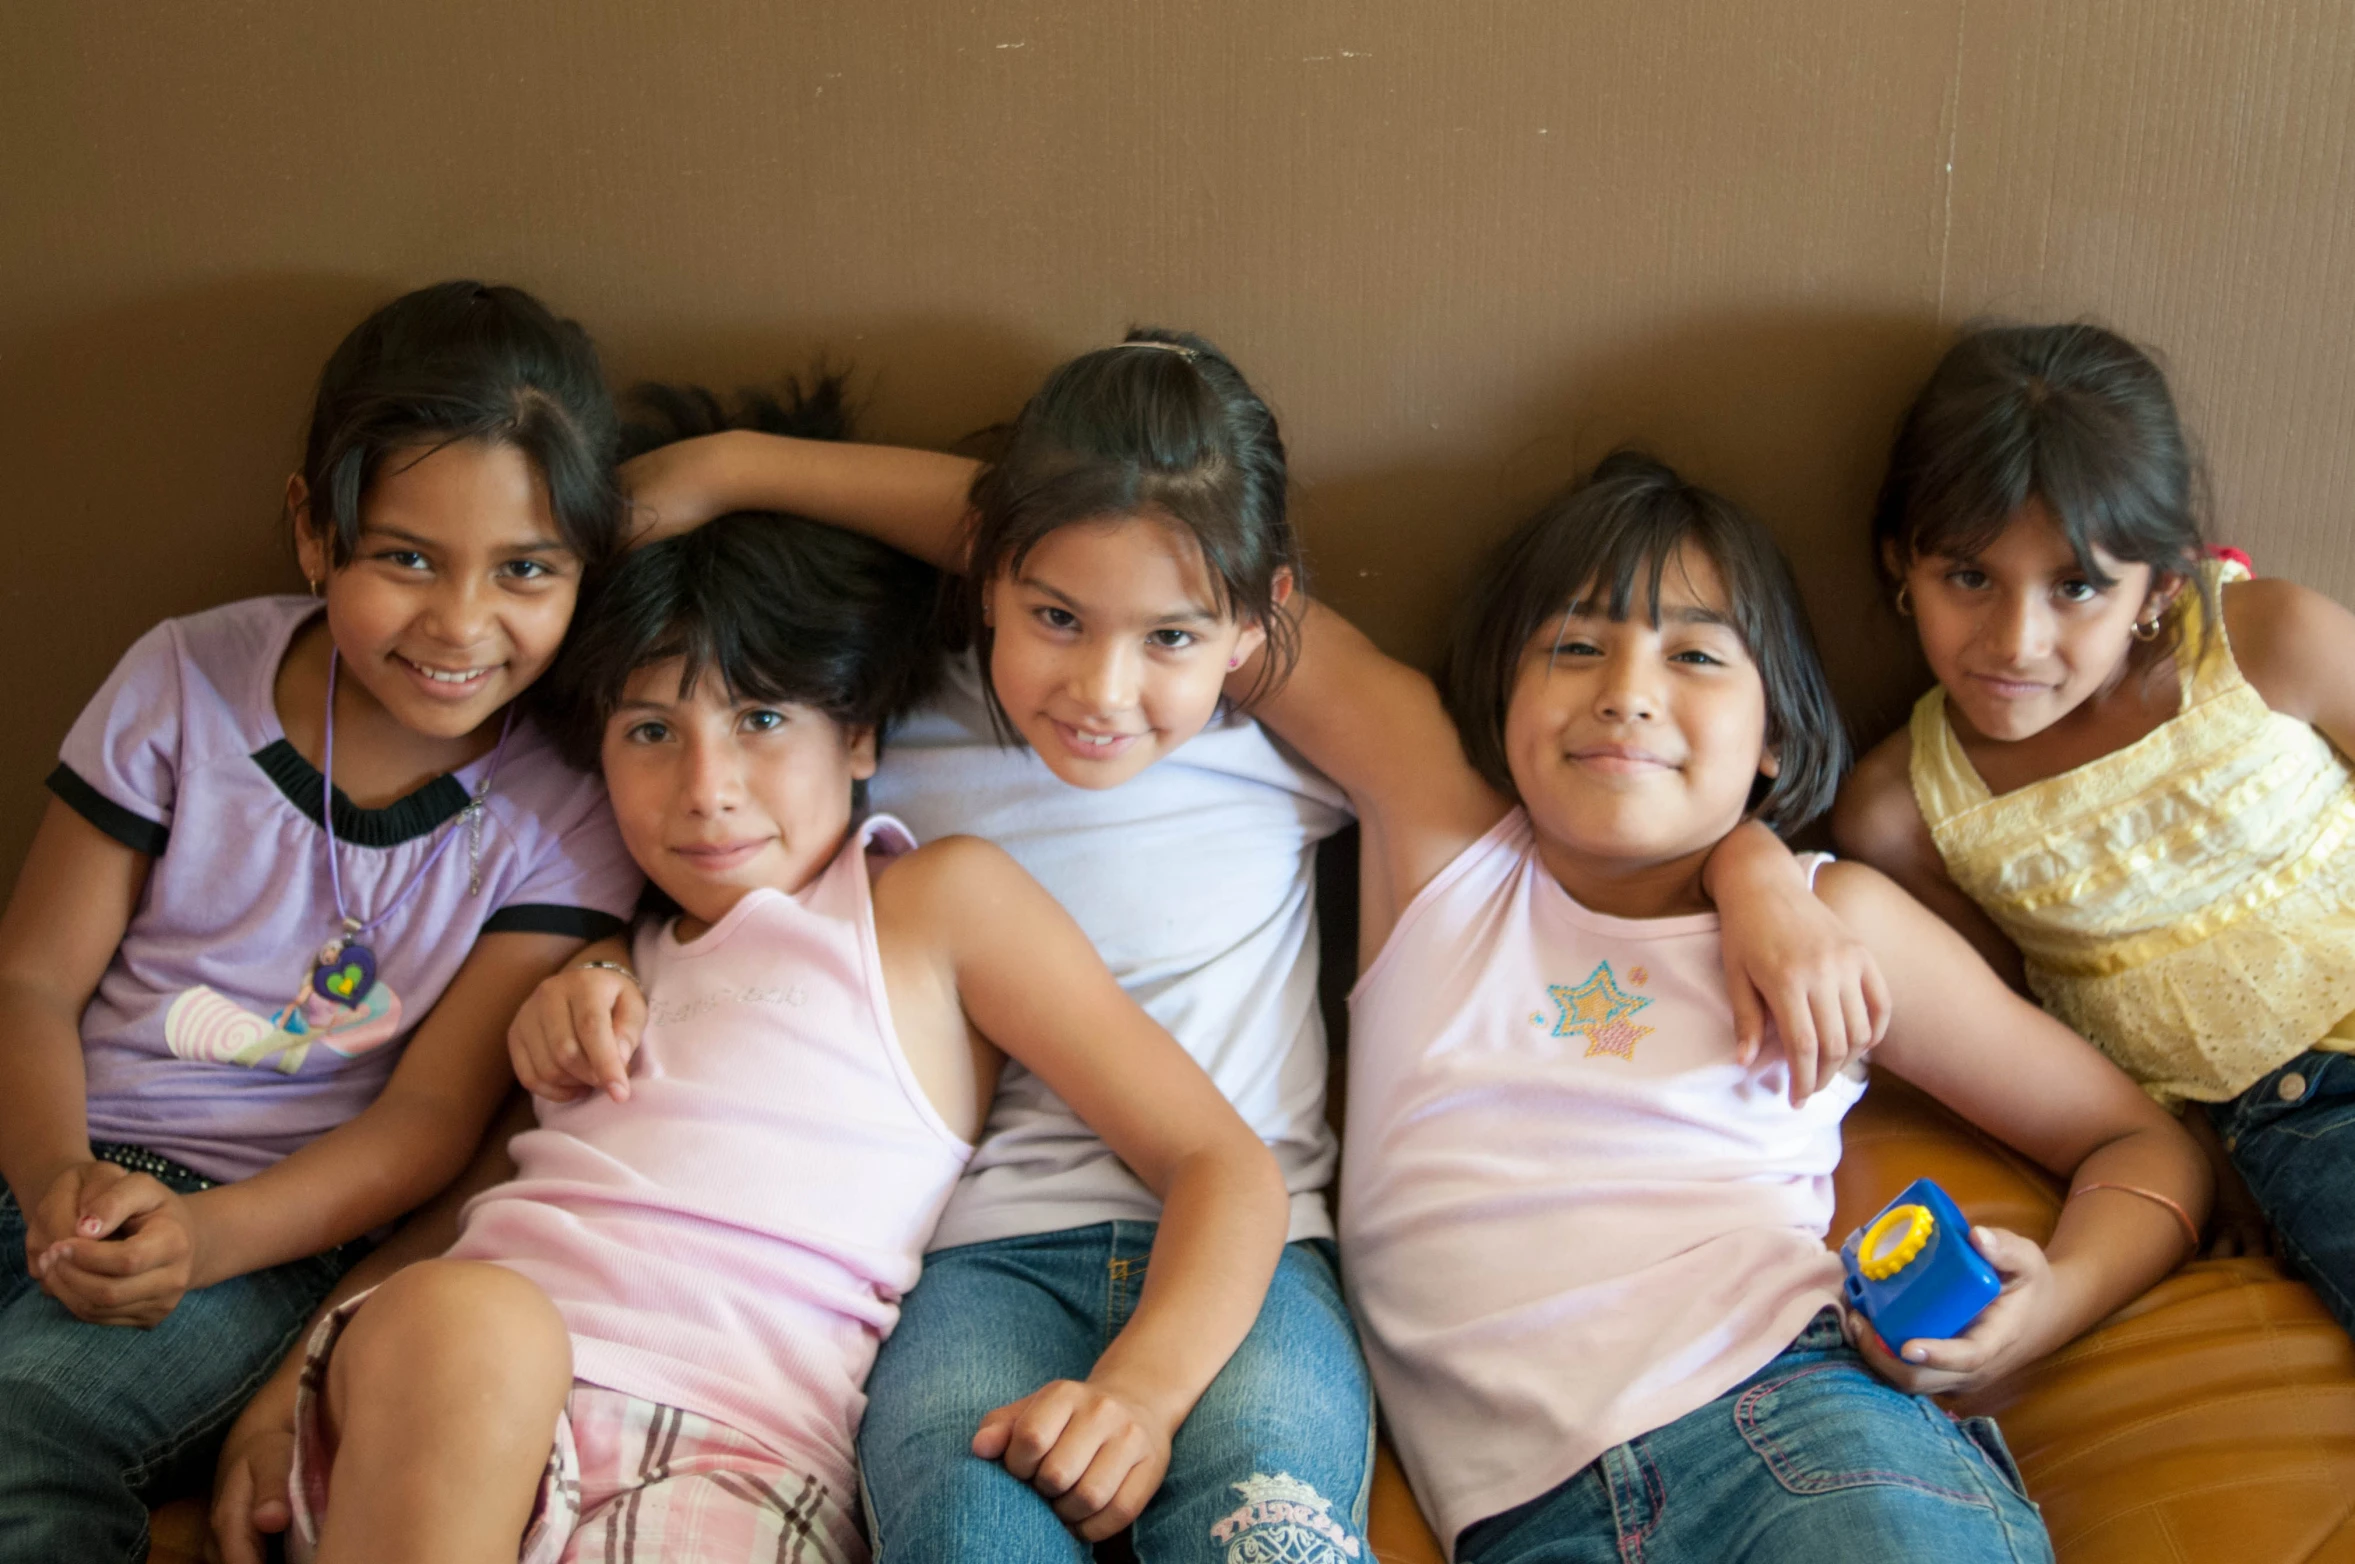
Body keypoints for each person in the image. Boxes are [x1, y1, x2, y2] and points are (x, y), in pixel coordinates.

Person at [536, 335, 1885, 1560]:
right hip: (977, 1263)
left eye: (1169, 636)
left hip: (1253, 1257)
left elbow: (1608, 809)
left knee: (1269, 1536)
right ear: (987, 579)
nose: (1100, 693)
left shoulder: (1281, 736)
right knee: (961, 1538)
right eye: (1051, 618)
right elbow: (721, 885)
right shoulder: (892, 733)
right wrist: (595, 963)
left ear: (1249, 625)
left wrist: (1751, 865)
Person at [273, 422, 1288, 1563]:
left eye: (760, 722)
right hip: (452, 1407)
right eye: (651, 731)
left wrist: (1140, 1393)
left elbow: (1226, 1166)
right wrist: (284, 1388)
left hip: (737, 1450)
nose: (708, 792)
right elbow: (463, 1194)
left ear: (859, 733)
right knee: (477, 1318)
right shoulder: (598, 945)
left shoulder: (927, 907)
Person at [1256, 451, 2208, 1563]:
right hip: (1520, 1524)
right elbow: (1220, 599)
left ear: (1773, 742)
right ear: (1502, 699)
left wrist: (2048, 1308)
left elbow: (2139, 1138)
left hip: (1798, 1436)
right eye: (1574, 645)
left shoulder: (1839, 920)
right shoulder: (1444, 856)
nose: (1626, 689)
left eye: (1696, 653)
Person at [0, 280, 643, 1561]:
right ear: (313, 531)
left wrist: (199, 1239)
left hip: (257, 1227)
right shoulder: (186, 678)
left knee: (23, 1437)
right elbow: (29, 981)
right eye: (407, 556)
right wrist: (52, 1181)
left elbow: (428, 1124)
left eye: (525, 570)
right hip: (47, 1148)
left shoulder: (563, 800)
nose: (461, 623)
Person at [1834, 322, 2355, 1332]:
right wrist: (2203, 1158)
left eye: (2076, 586)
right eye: (1968, 577)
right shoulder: (1905, 811)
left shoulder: (2269, 641)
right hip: (2297, 1121)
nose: (2015, 641)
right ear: (1903, 564)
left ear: (2159, 583)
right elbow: (2024, 1030)